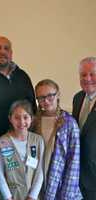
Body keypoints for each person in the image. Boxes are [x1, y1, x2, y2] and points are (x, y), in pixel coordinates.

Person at [34, 79, 82, 199]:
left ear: (58, 94)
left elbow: (74, 162)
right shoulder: (33, 122)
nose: (46, 101)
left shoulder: (69, 123)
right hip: (38, 182)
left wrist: (66, 195)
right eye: (41, 97)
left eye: (50, 96)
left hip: (60, 185)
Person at [0, 100, 44, 200]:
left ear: (31, 118)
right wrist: (8, 197)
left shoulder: (38, 140)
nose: (21, 122)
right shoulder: (2, 142)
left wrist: (32, 196)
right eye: (16, 118)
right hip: (11, 195)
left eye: (25, 117)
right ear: (10, 119)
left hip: (32, 195)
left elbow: (40, 171)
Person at [72, 57, 96, 199]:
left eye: (92, 74)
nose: (87, 79)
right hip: (77, 174)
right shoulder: (77, 98)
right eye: (83, 75)